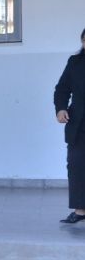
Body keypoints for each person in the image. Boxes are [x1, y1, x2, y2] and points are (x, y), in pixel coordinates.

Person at [55, 27, 85, 224]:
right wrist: (60, 109)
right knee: (76, 165)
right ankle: (80, 210)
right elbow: (62, 89)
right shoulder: (74, 62)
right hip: (79, 124)